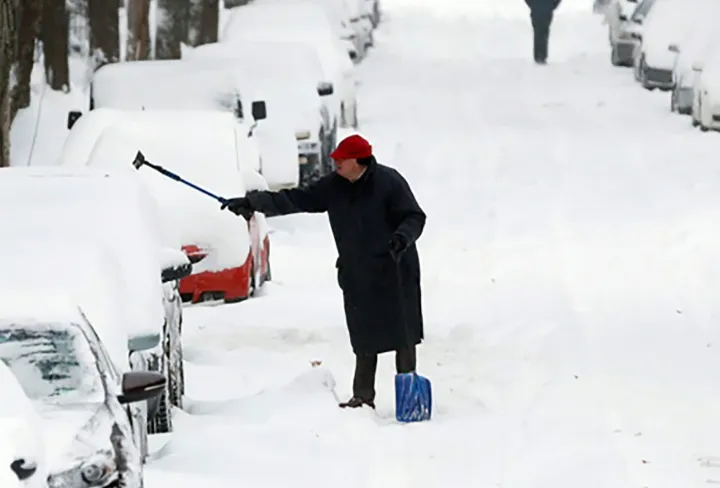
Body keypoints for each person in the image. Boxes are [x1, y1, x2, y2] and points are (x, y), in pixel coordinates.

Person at [221, 134, 426, 409]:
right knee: (364, 337)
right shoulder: (334, 186)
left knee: (402, 334)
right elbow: (296, 199)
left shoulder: (389, 182)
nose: (336, 163)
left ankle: (409, 396)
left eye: (342, 159)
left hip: (396, 267)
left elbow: (414, 216)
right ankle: (363, 397)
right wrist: (252, 203)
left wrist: (402, 237)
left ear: (358, 160)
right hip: (358, 272)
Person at [524, 0, 562, 64]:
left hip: (543, 10)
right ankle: (540, 56)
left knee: (541, 32)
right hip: (539, 10)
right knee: (541, 32)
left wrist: (552, 6)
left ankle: (540, 56)